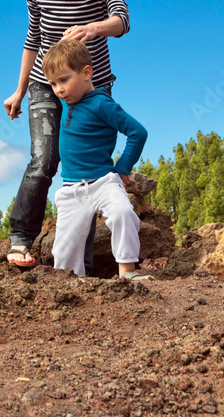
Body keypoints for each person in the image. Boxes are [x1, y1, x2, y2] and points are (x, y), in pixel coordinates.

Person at [3, 0, 130, 270]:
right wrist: (20, 89)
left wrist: (95, 28)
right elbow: (33, 38)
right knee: (44, 159)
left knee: (89, 168)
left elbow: (121, 21)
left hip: (93, 88)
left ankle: (81, 265)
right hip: (46, 83)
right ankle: (20, 239)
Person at [41, 39, 149, 279]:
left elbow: (137, 132)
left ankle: (127, 272)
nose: (58, 89)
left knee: (122, 213)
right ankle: (73, 288)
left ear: (86, 73)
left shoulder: (102, 104)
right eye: (53, 83)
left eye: (64, 80)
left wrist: (123, 168)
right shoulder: (67, 99)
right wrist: (17, 96)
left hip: (103, 182)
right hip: (71, 190)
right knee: (64, 252)